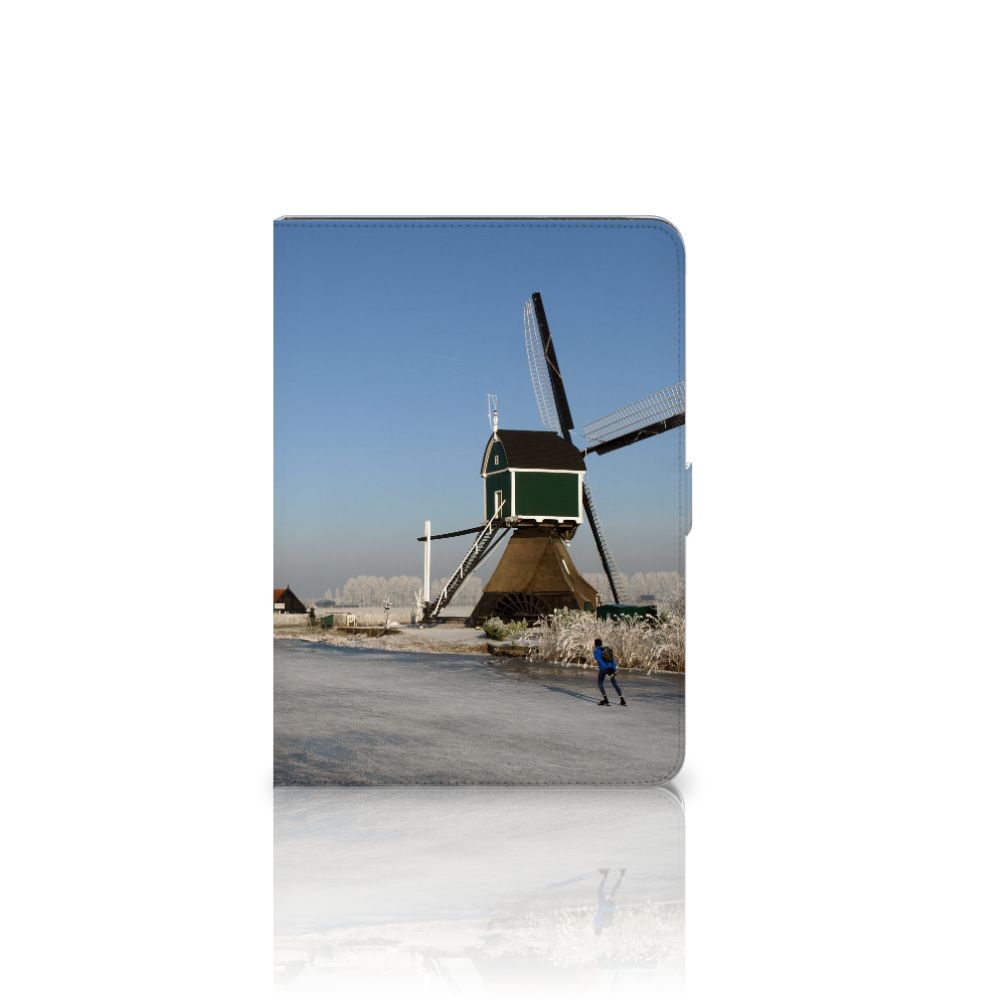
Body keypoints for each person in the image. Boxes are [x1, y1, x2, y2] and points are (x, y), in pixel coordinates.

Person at [593, 638, 627, 707]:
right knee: (614, 684)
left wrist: (606, 668)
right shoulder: (606, 649)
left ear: (595, 644)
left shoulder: (596, 651)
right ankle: (622, 700)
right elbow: (613, 660)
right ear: (601, 643)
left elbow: (599, 660)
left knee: (600, 683)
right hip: (611, 669)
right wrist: (612, 669)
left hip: (604, 669)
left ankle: (606, 700)